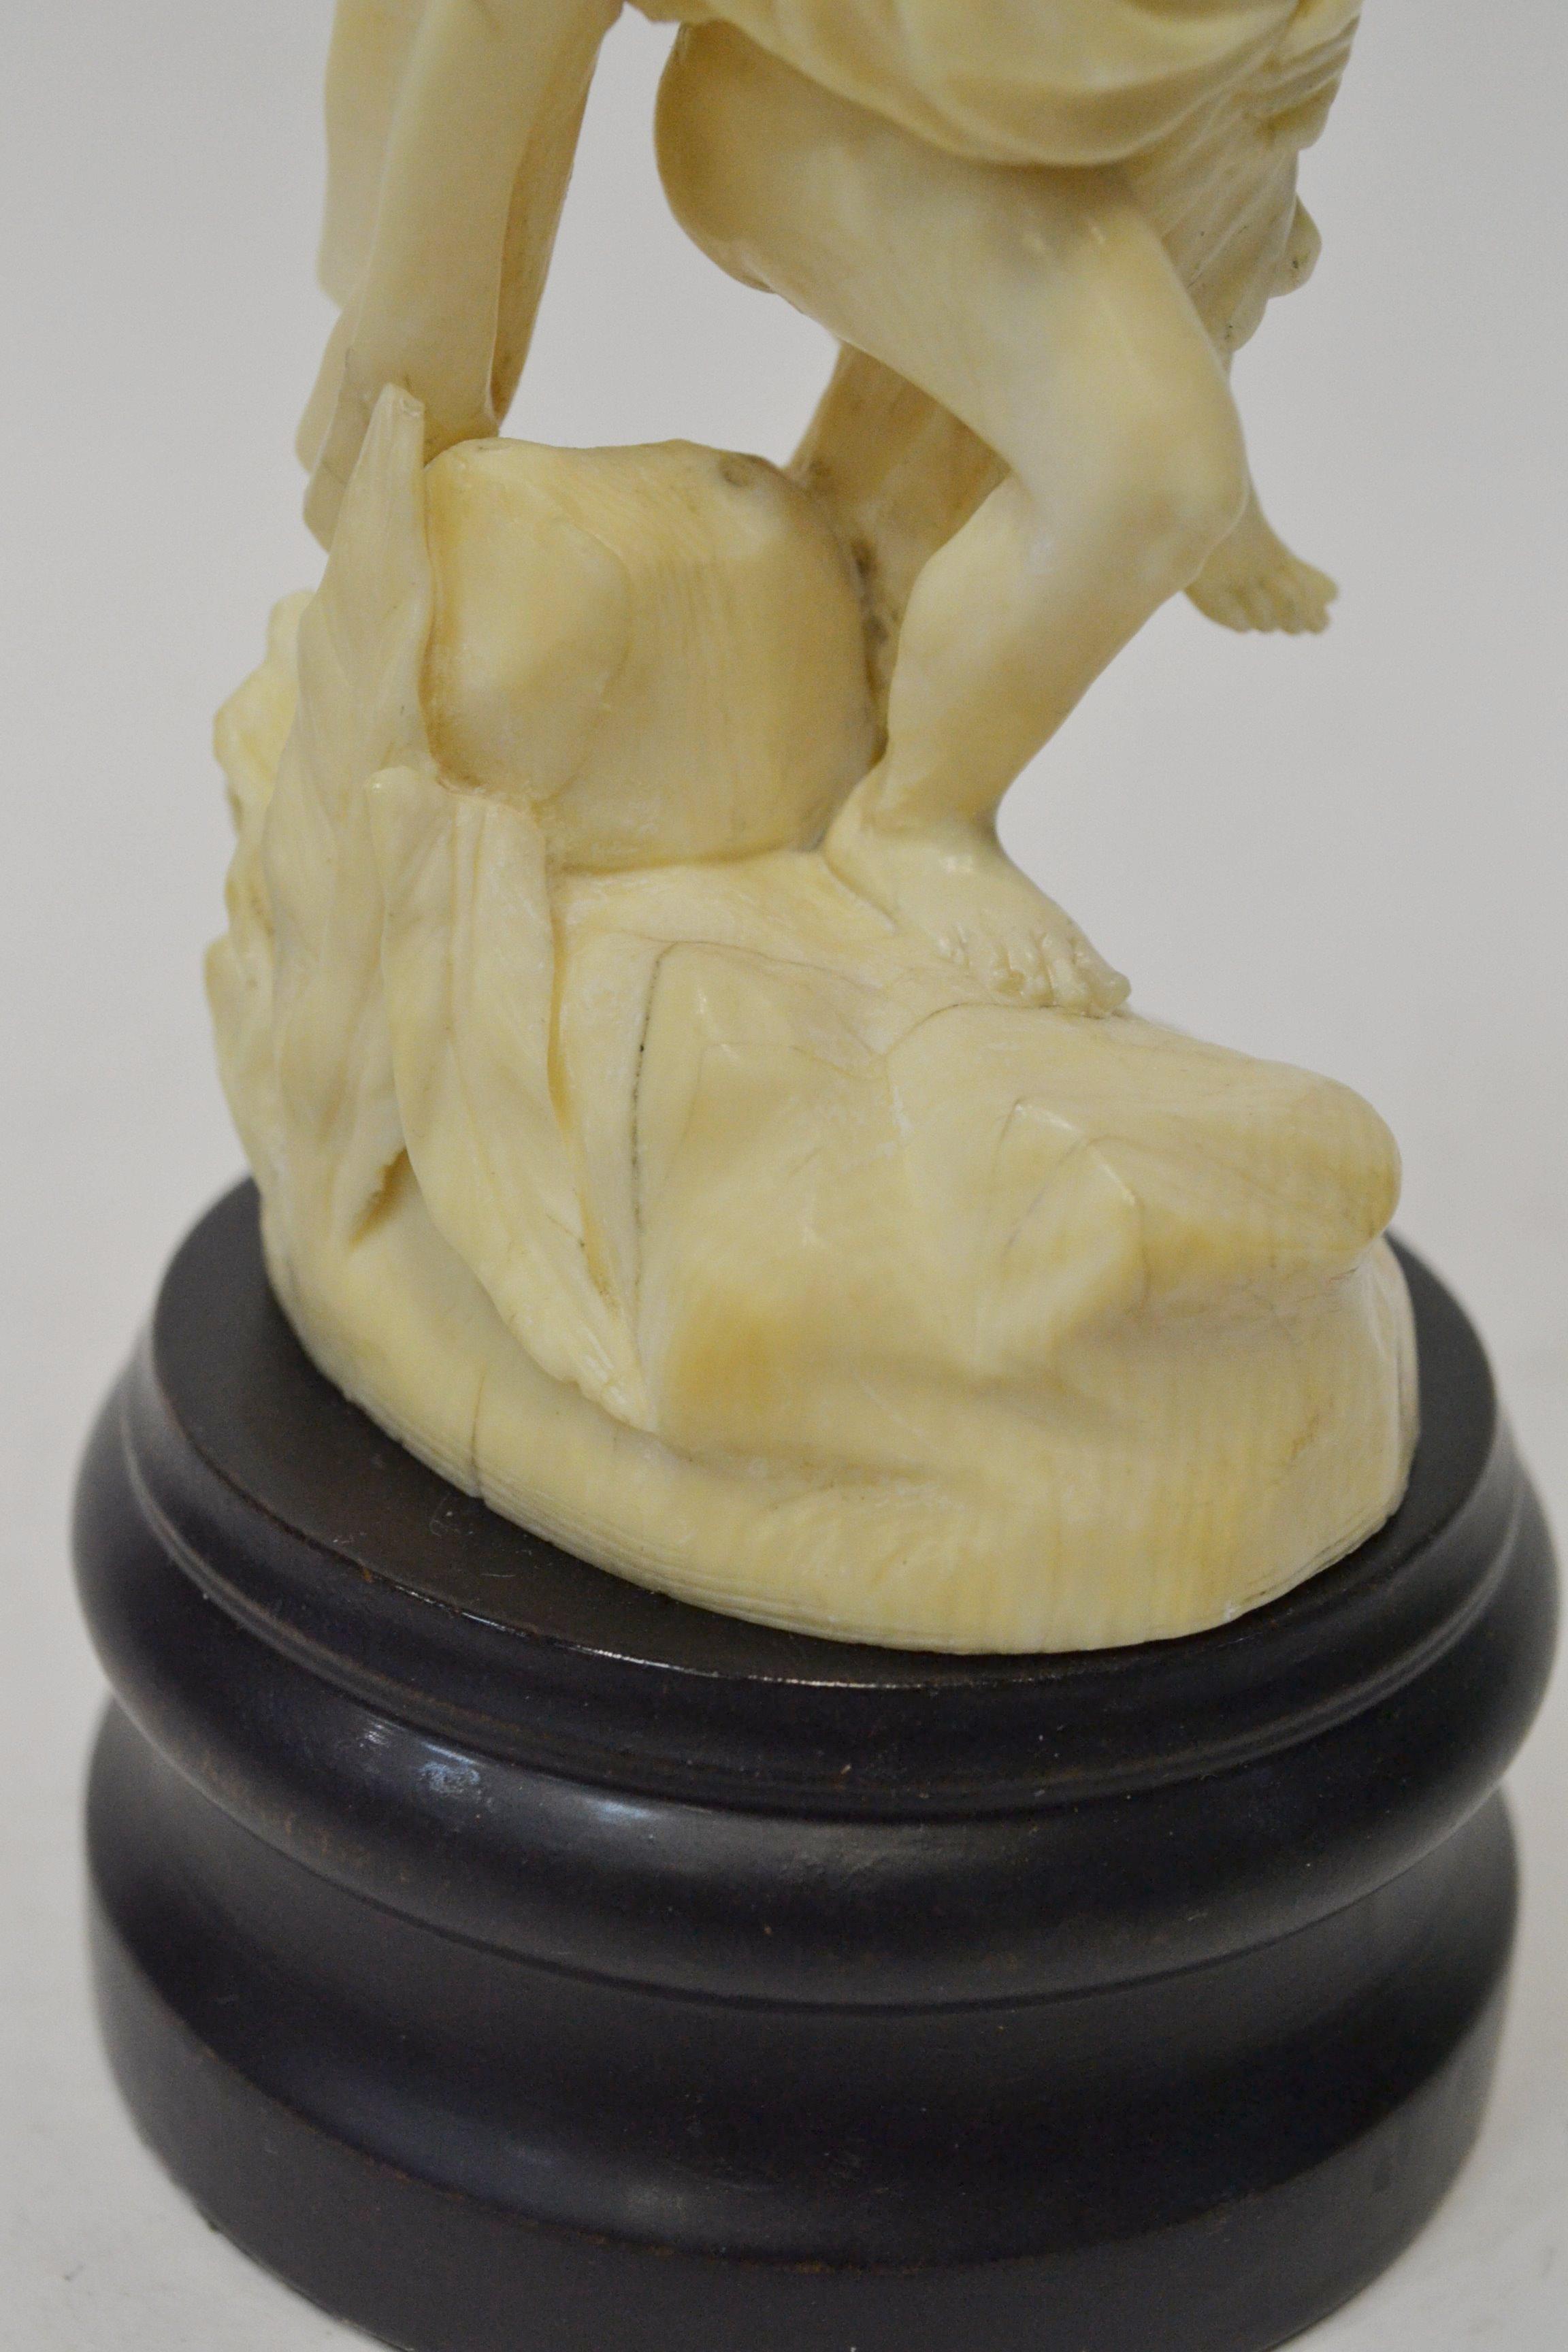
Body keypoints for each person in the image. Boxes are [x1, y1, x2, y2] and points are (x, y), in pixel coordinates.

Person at [301, 0, 1359, 1008]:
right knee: (1155, 477)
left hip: (1064, 143)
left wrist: (1200, 338)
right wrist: (420, 353)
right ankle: (915, 823)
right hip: (809, 114)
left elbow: (1237, 106)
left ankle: (871, 704)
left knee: (1105, 486)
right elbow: (497, 29)